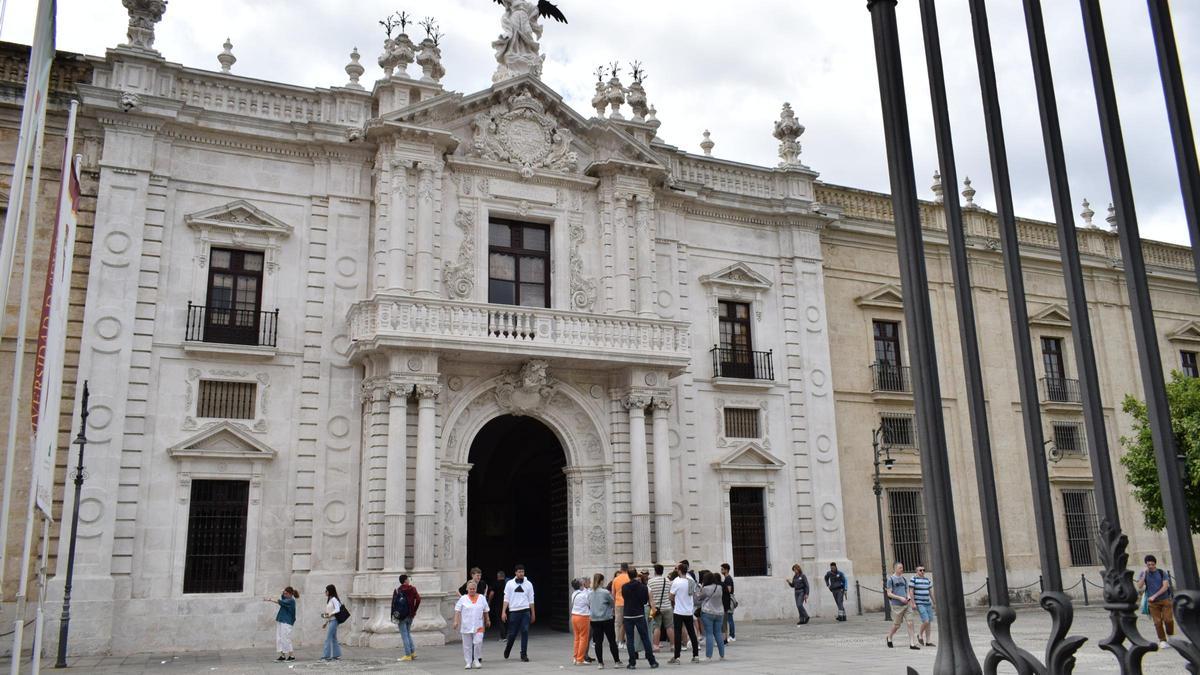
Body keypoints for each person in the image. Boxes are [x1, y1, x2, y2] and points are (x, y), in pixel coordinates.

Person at [620, 567, 659, 669]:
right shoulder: (643, 587)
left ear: (628, 575)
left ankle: (632, 662)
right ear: (636, 574)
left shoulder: (624, 587)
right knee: (645, 637)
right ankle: (652, 661)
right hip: (639, 614)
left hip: (628, 614)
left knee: (630, 639)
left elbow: (625, 598)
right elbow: (644, 601)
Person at [1136, 554, 1175, 649]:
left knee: (1168, 620)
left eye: (1152, 564)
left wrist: (1154, 595)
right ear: (1146, 565)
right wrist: (1144, 575)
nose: (1151, 566)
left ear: (1155, 564)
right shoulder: (1143, 573)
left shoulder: (1161, 572)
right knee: (1157, 622)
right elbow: (1139, 586)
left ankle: (1170, 635)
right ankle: (1162, 640)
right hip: (1152, 603)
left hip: (1165, 600)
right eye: (1149, 564)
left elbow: (1165, 586)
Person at [502, 563, 536, 662]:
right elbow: (506, 598)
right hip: (514, 611)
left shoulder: (528, 584)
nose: (521, 573)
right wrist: (503, 611)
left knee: (525, 631)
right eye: (519, 572)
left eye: (522, 571)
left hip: (525, 611)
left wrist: (533, 613)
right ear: (515, 573)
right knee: (512, 634)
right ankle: (508, 648)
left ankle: (523, 654)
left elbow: (531, 599)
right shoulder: (509, 584)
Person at [455, 580, 491, 669]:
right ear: (467, 589)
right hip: (466, 625)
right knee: (467, 645)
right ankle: (468, 662)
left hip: (479, 625)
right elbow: (457, 610)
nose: (472, 590)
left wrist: (487, 619)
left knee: (478, 641)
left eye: (474, 589)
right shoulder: (463, 598)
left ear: (476, 589)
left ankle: (476, 659)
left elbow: (486, 610)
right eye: (470, 589)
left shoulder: (481, 598)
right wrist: (456, 621)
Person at [589, 572, 622, 669]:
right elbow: (612, 603)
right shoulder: (605, 592)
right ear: (601, 581)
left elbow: (589, 603)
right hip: (606, 618)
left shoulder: (590, 593)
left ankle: (600, 663)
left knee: (598, 642)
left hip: (594, 619)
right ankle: (616, 661)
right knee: (612, 641)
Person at [669, 565, 699, 664]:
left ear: (680, 571)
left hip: (678, 611)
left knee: (677, 634)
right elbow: (693, 594)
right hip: (688, 611)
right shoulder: (691, 581)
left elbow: (671, 596)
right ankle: (695, 655)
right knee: (692, 633)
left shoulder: (676, 582)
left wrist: (675, 602)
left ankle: (677, 657)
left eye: (677, 569)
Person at [885, 563, 918, 650]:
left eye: (902, 567)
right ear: (895, 569)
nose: (902, 569)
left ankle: (912, 644)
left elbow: (906, 590)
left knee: (910, 623)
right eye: (900, 568)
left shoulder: (904, 579)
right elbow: (889, 593)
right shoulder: (890, 579)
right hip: (897, 606)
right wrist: (900, 598)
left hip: (907, 605)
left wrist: (908, 597)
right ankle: (889, 637)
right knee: (896, 625)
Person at [263, 586, 299, 662]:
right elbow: (283, 597)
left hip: (287, 622)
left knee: (286, 638)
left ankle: (291, 656)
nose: (284, 595)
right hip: (281, 620)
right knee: (279, 638)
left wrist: (270, 599)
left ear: (290, 594)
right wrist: (283, 592)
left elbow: (281, 601)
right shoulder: (286, 598)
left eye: (286, 593)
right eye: (284, 593)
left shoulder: (291, 600)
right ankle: (282, 656)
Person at [698, 572, 726, 661]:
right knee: (718, 633)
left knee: (709, 634)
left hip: (708, 612)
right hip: (719, 612)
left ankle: (708, 656)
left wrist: (701, 587)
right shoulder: (719, 587)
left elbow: (699, 598)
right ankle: (722, 655)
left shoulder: (705, 588)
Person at [393, 574, 422, 661]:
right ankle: (412, 653)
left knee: (404, 635)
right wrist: (414, 610)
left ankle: (407, 655)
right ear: (405, 580)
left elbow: (395, 604)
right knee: (408, 633)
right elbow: (419, 599)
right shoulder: (413, 589)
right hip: (410, 615)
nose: (409, 580)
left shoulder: (399, 590)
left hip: (402, 616)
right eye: (408, 579)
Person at [646, 564, 674, 651]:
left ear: (655, 571)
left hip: (655, 608)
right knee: (669, 626)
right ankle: (673, 646)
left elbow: (649, 595)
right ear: (662, 571)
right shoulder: (668, 581)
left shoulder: (650, 582)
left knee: (656, 627)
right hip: (667, 607)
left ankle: (656, 646)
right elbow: (670, 593)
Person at [911, 566, 934, 647]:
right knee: (926, 621)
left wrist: (934, 602)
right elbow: (911, 592)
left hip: (928, 603)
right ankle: (919, 634)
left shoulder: (927, 580)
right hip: (919, 603)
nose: (922, 571)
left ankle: (928, 641)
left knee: (929, 622)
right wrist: (913, 603)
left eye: (924, 570)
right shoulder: (913, 579)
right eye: (920, 570)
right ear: (916, 571)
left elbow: (930, 592)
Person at [571, 577, 593, 665]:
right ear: (581, 585)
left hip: (574, 616)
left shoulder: (574, 593)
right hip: (583, 617)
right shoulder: (584, 595)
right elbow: (589, 602)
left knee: (577, 638)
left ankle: (575, 657)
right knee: (584, 638)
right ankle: (580, 659)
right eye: (582, 583)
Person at [320, 584, 344, 661]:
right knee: (333, 638)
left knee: (328, 638)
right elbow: (328, 612)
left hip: (334, 620)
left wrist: (330, 614)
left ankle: (325, 656)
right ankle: (336, 655)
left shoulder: (334, 599)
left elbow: (337, 609)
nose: (325, 592)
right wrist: (325, 622)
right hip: (331, 620)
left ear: (330, 591)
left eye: (326, 591)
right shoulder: (330, 600)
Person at [611, 562, 630, 648]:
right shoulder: (630, 578)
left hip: (618, 603)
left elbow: (613, 593)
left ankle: (618, 641)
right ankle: (626, 640)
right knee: (627, 622)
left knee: (618, 623)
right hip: (629, 602)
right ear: (628, 568)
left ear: (621, 568)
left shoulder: (616, 579)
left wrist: (614, 604)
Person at [719, 563, 736, 644]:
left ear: (726, 570)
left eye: (722, 569)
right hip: (727, 600)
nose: (721, 571)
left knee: (729, 619)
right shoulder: (726, 578)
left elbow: (729, 590)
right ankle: (730, 635)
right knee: (728, 619)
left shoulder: (728, 579)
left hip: (728, 601)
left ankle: (732, 636)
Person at [495, 570, 509, 641]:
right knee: (506, 619)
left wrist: (489, 601)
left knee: (500, 620)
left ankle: (503, 637)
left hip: (498, 604)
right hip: (507, 604)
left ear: (498, 577)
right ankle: (506, 635)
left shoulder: (496, 583)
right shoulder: (508, 584)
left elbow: (491, 593)